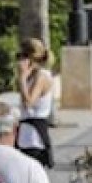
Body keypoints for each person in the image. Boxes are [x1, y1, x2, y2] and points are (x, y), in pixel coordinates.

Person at [15, 39, 55, 167]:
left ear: (30, 58)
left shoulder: (41, 77)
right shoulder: (31, 76)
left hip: (35, 137)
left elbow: (28, 102)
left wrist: (21, 77)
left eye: (21, 56)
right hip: (24, 135)